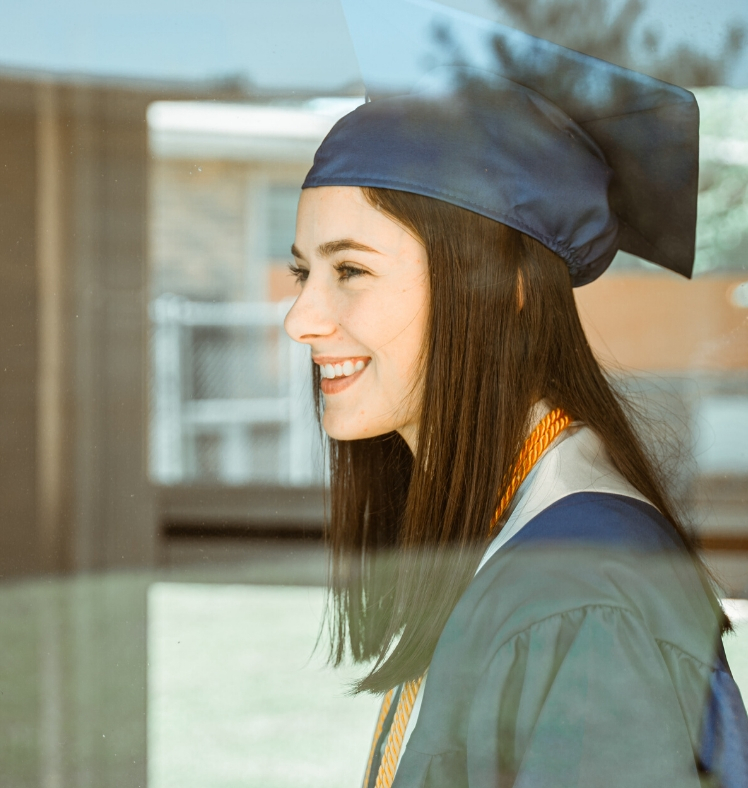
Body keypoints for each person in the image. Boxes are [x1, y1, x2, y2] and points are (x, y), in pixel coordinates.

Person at [282, 1, 748, 786]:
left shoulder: (585, 594)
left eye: (350, 270)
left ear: (503, 292)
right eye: (303, 272)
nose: (300, 318)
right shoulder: (510, 539)